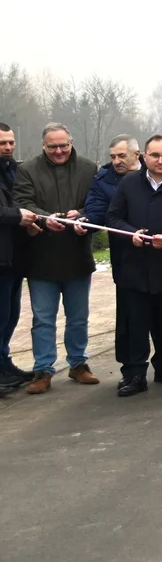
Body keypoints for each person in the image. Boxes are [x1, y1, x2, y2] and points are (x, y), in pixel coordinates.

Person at [104, 135, 162, 396]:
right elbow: (113, 217)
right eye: (154, 155)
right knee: (135, 325)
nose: (160, 160)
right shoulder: (129, 184)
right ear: (143, 157)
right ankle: (134, 375)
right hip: (134, 269)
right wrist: (131, 233)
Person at [13, 122, 99, 394]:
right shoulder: (27, 170)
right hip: (41, 257)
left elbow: (98, 203)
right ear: (43, 146)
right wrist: (42, 217)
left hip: (77, 255)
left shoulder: (88, 168)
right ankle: (43, 369)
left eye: (64, 145)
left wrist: (83, 214)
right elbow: (22, 202)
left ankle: (78, 364)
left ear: (71, 141)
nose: (60, 150)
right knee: (43, 318)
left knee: (78, 317)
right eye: (53, 146)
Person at [0, 122, 34, 390]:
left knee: (10, 314)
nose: (8, 147)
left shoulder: (14, 171)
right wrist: (18, 217)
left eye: (10, 142)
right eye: (2, 143)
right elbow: (9, 211)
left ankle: (4, 362)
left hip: (13, 257)